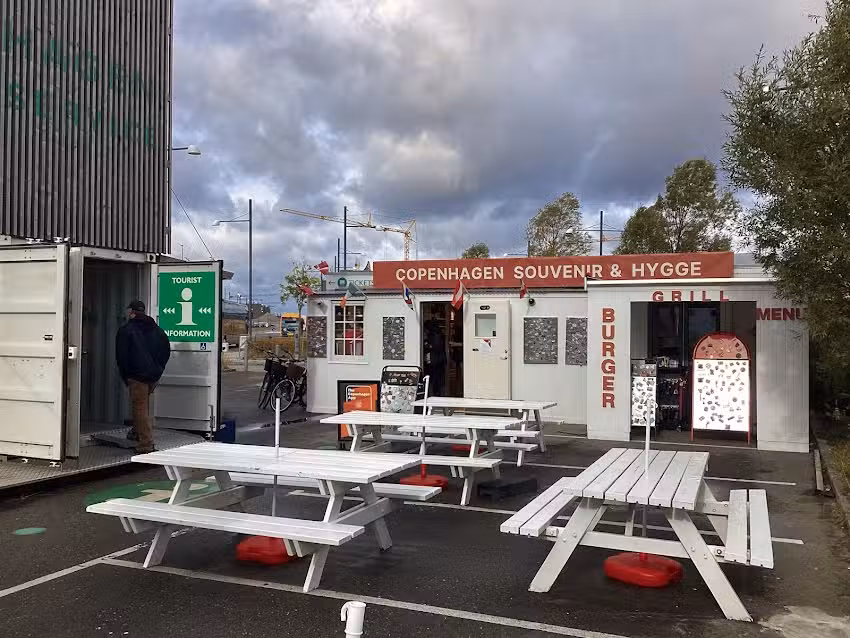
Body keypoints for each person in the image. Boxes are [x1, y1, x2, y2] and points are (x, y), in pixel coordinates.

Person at [115, 300, 171, 453]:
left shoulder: (126, 330)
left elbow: (122, 356)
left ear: (131, 312)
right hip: (152, 376)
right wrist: (158, 370)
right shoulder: (157, 330)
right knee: (144, 406)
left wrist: (126, 375)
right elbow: (166, 351)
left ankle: (146, 443)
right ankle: (136, 432)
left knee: (139, 408)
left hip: (136, 376)